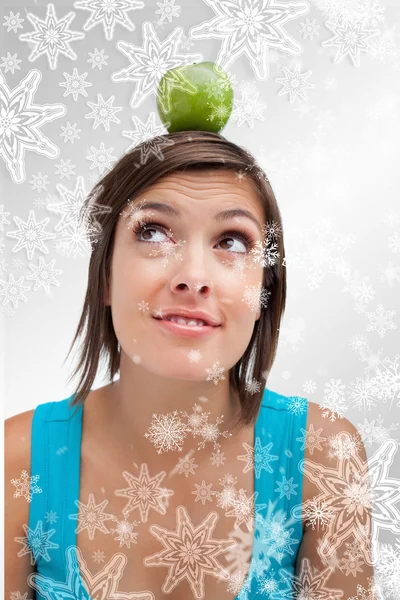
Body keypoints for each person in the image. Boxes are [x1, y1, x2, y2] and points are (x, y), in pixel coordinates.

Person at [5, 131, 375, 600]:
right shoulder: (14, 461)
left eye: (232, 242)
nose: (194, 278)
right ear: (104, 276)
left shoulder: (321, 456)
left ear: (264, 293)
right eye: (153, 232)